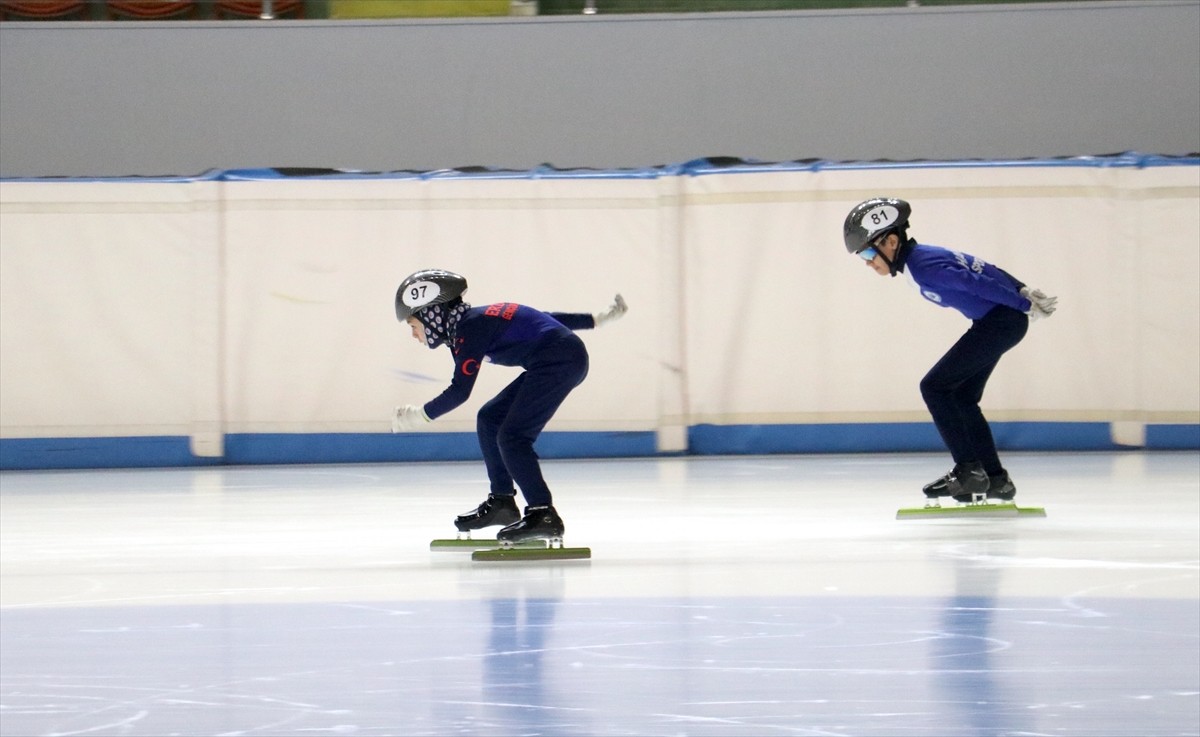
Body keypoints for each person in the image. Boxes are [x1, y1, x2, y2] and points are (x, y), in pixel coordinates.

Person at [842, 198, 1058, 503]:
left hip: (1000, 323)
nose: (867, 262)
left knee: (934, 387)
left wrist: (1022, 301)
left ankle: (969, 472)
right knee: (962, 397)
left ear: (890, 241)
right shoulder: (922, 257)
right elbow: (982, 266)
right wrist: (1020, 288)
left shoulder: (922, 267)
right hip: (998, 322)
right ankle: (995, 480)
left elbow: (974, 281)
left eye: (867, 253)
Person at [391, 268, 627, 543]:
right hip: (558, 357)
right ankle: (502, 502)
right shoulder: (476, 320)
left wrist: (420, 416)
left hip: (559, 361)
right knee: (490, 418)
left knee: (513, 437)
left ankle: (543, 513)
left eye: (413, 325)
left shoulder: (469, 329)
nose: (414, 335)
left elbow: (460, 391)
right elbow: (544, 318)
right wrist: (596, 320)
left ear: (432, 315)